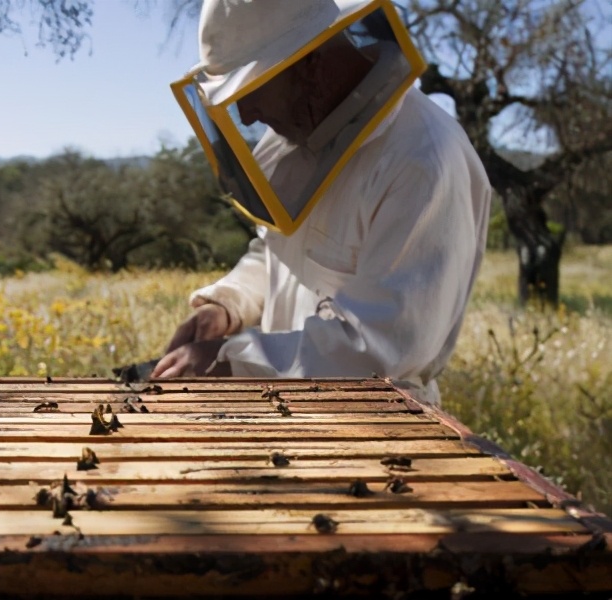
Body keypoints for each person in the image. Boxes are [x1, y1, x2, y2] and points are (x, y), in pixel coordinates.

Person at [151, 0, 492, 405]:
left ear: (309, 63)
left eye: (253, 90)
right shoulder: (292, 139)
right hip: (284, 410)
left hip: (375, 429)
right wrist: (227, 305)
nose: (245, 113)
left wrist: (232, 361)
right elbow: (276, 253)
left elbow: (380, 349)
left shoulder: (423, 159)